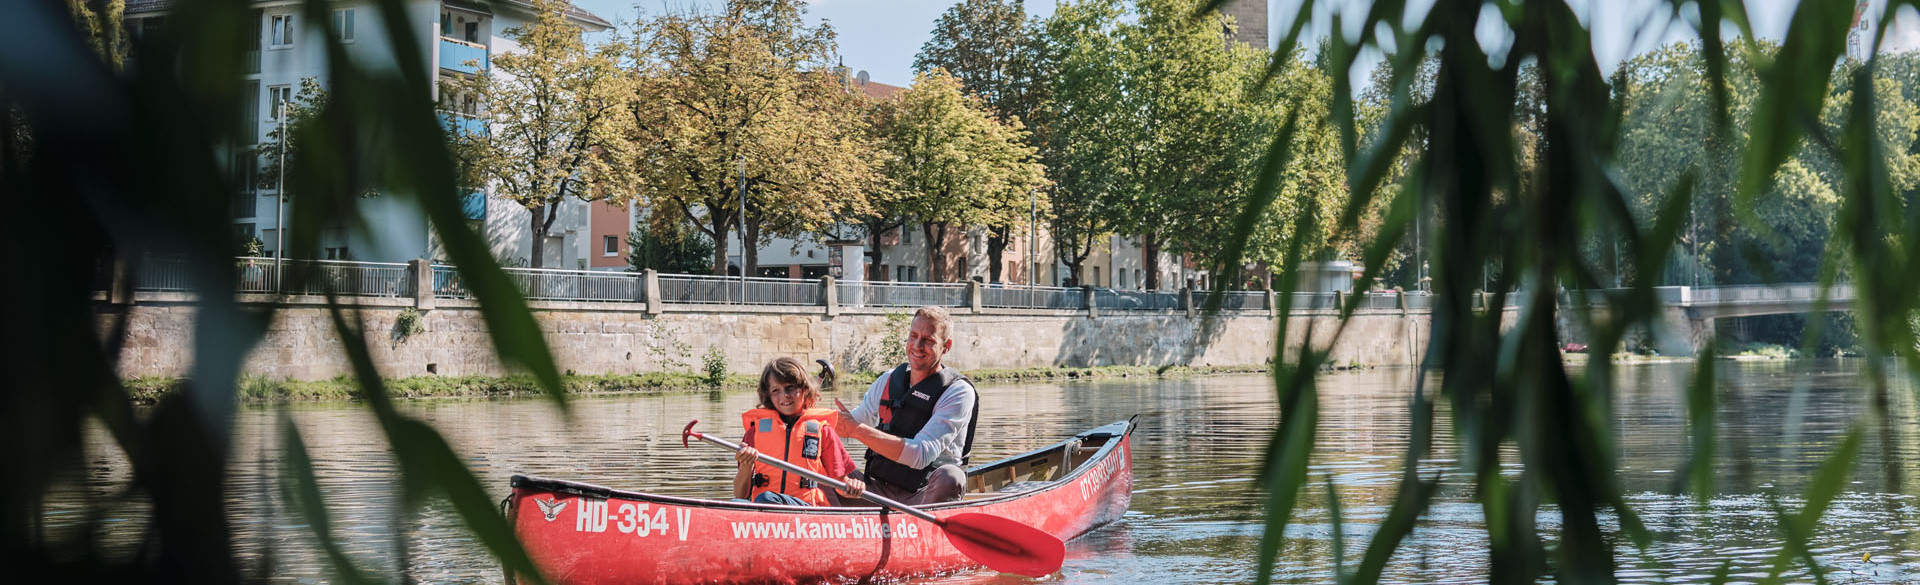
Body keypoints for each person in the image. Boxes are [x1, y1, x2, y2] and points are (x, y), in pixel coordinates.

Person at [831, 306, 977, 505]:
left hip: (923, 497)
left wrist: (857, 431)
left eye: (928, 340)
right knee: (813, 466)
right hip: (875, 491)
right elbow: (852, 422)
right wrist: (808, 420)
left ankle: (927, 529)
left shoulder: (958, 392)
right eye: (913, 336)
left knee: (951, 476)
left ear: (947, 346)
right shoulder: (889, 380)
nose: (917, 345)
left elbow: (921, 454)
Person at [734, 357, 864, 506]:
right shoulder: (754, 433)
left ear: (805, 390)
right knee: (737, 502)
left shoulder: (823, 431)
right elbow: (740, 494)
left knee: (766, 499)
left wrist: (853, 486)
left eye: (790, 387)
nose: (784, 395)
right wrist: (746, 466)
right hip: (765, 511)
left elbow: (840, 485)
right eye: (776, 390)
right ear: (768, 395)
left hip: (805, 511)